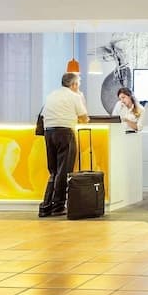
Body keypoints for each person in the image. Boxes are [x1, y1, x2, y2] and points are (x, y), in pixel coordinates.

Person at [38, 72, 89, 217]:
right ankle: (58, 206)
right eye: (78, 84)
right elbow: (84, 118)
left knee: (54, 171)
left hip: (49, 133)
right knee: (64, 171)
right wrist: (81, 98)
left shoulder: (51, 95)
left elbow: (43, 115)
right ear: (74, 84)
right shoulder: (74, 96)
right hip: (65, 133)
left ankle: (46, 206)